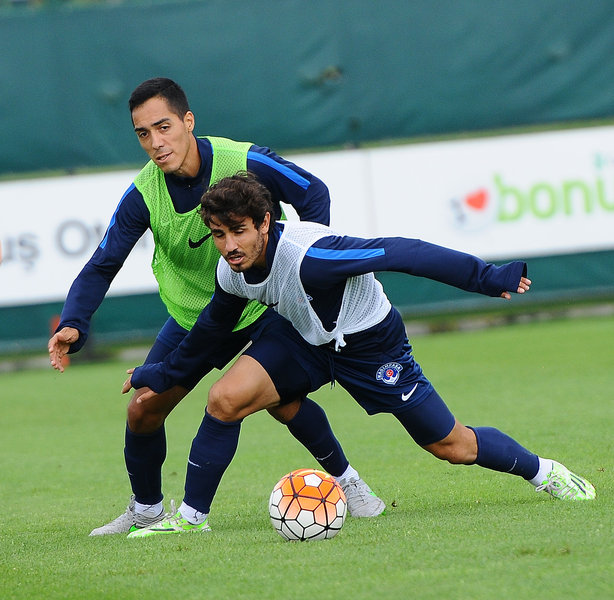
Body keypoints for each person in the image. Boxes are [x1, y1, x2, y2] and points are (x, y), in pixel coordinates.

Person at [124, 172, 596, 538]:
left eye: (238, 231)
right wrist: (161, 373)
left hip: (370, 344)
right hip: (304, 337)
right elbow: (210, 330)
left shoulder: (312, 256)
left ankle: (544, 472)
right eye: (218, 234)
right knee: (226, 399)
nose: (229, 246)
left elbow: (403, 252)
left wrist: (487, 277)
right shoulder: (231, 271)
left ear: (265, 222)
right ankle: (192, 518)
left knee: (451, 446)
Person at [47, 78, 385, 536]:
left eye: (163, 127)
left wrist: (304, 265)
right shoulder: (144, 193)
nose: (155, 142)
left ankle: (347, 482)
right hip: (194, 319)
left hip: (262, 306)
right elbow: (104, 262)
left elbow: (314, 192)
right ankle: (146, 509)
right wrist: (74, 322)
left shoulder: (243, 161)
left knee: (284, 403)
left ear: (188, 121)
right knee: (142, 409)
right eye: (143, 133)